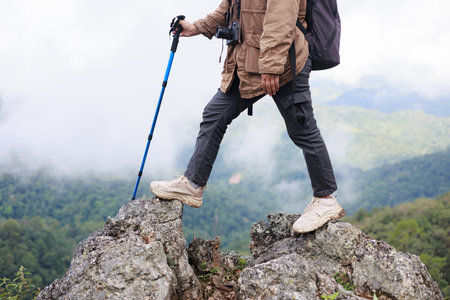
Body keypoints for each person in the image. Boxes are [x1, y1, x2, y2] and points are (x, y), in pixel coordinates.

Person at [150, 0, 345, 233]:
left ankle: (326, 199)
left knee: (302, 129)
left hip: (284, 64)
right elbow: (231, 7)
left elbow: (281, 15)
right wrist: (198, 27)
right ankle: (193, 184)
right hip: (246, 63)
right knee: (214, 115)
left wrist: (272, 66)